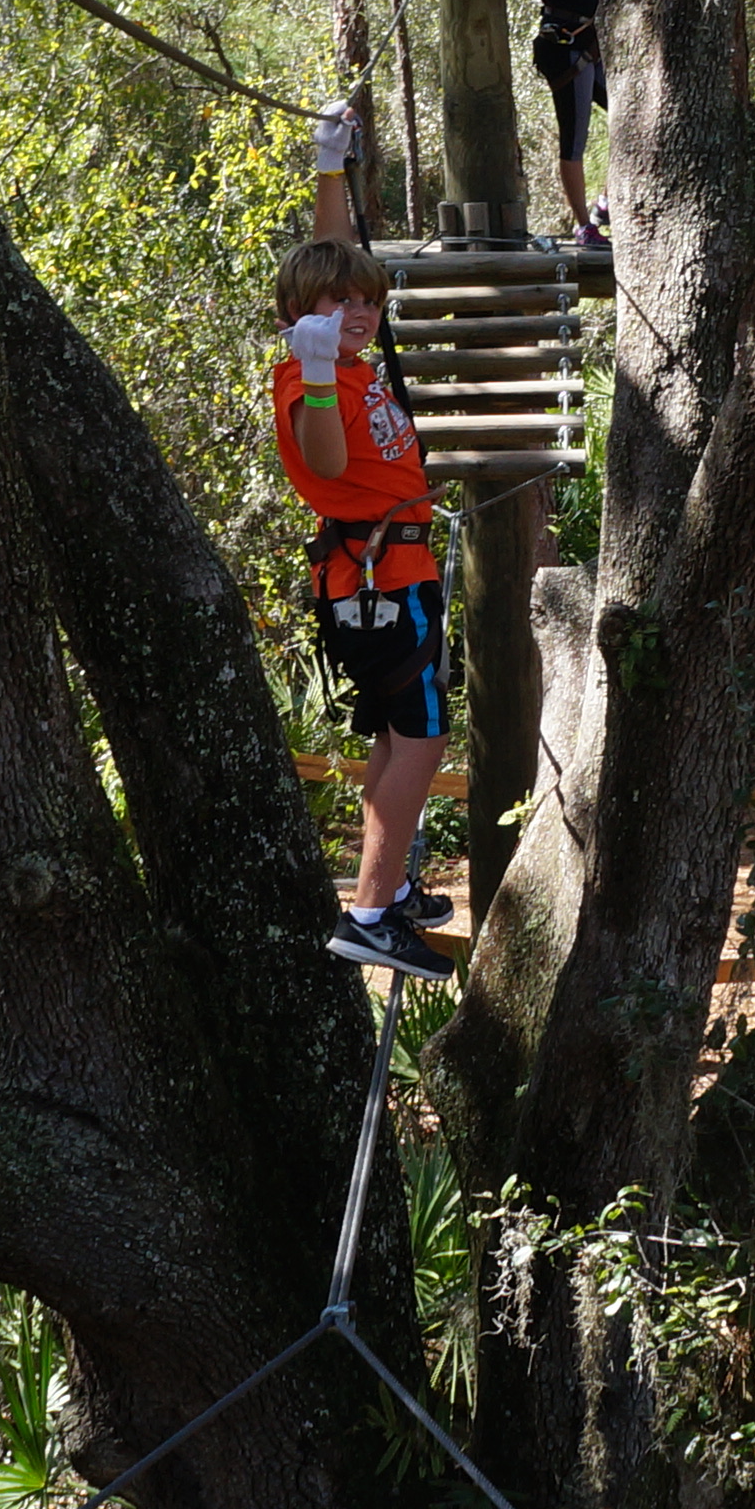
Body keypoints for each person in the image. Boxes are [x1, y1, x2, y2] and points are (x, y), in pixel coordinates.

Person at [274, 108, 454, 980]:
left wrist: (329, 167)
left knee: (395, 733)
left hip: (390, 573)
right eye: (339, 305)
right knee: (423, 741)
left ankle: (388, 889)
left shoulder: (343, 356)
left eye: (369, 302)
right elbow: (325, 462)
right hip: (381, 583)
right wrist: (316, 373)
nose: (359, 313)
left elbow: (331, 261)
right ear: (299, 317)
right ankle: (371, 913)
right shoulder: (311, 381)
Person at [525, 0, 608, 244]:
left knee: (634, 118)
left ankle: (605, 203)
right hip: (567, 49)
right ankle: (584, 225)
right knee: (574, 138)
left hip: (586, 44)